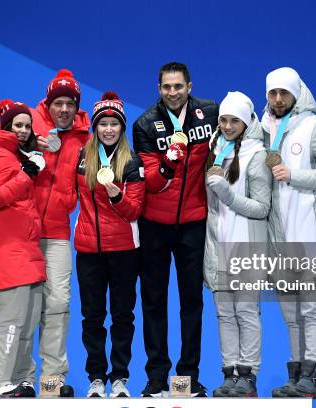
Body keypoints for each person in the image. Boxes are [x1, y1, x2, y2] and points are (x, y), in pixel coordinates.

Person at [132, 62, 218, 397]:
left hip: (194, 223)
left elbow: (238, 134)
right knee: (154, 301)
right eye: (166, 87)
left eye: (178, 86)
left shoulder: (209, 113)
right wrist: (168, 161)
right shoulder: (144, 124)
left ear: (189, 86)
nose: (172, 92)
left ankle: (188, 377)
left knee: (191, 301)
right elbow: (150, 181)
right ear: (158, 89)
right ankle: (156, 377)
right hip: (154, 223)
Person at [262, 67, 316, 400]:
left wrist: (293, 175)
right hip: (277, 239)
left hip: (311, 235)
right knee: (290, 312)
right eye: (273, 93)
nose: (279, 99)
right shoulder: (259, 129)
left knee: (312, 309)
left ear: (298, 93)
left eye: (285, 93)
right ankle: (297, 374)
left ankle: (315, 375)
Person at [73, 91, 145, 398]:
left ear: (122, 127)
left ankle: (120, 379)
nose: (108, 129)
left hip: (124, 251)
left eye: (114, 123)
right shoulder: (81, 158)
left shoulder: (132, 161)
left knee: (122, 316)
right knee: (92, 317)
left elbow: (134, 210)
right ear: (95, 127)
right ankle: (96, 379)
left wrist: (116, 194)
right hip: (88, 251)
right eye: (103, 123)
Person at [0, 99, 46, 400]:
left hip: (26, 249)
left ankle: (19, 379)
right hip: (10, 251)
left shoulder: (14, 156)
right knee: (11, 321)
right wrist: (27, 172)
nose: (23, 130)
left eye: (27, 125)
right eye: (18, 125)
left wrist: (26, 163)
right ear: (5, 126)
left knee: (27, 322)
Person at [203, 92, 272, 398]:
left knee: (246, 311)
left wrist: (229, 196)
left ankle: (249, 375)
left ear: (246, 122)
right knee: (224, 314)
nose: (228, 126)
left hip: (246, 247)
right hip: (219, 245)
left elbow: (262, 208)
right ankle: (229, 373)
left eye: (235, 121)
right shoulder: (213, 150)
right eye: (223, 120)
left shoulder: (257, 156)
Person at [30, 68, 91, 397]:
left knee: (58, 303)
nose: (64, 109)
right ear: (48, 103)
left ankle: (52, 380)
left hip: (56, 233)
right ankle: (21, 380)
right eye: (58, 103)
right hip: (23, 233)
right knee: (25, 308)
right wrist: (32, 145)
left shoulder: (86, 139)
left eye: (70, 103)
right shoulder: (28, 122)